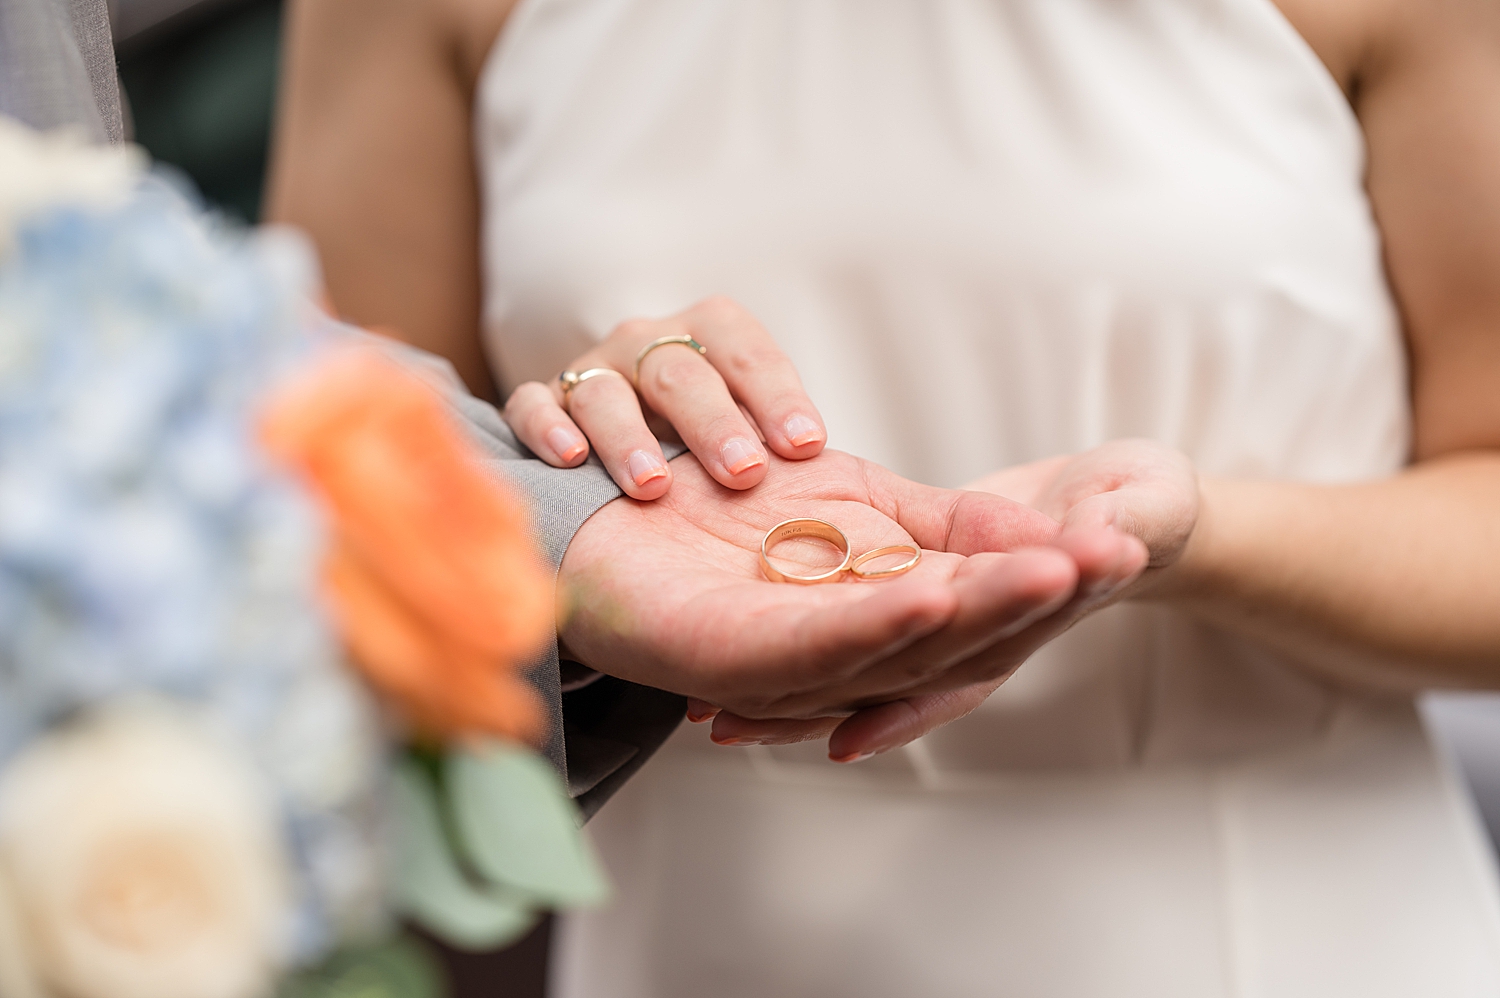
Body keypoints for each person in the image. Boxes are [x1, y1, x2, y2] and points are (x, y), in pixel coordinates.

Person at [267, 0, 1500, 994]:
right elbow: (316, 478)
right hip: (698, 928)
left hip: (1285, 924)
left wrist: (1198, 537)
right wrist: (571, 468)